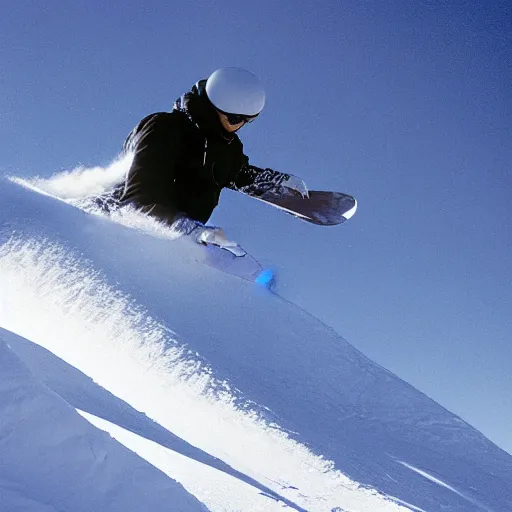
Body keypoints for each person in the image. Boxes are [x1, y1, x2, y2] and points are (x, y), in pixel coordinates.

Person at [117, 67, 308, 247]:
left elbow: (237, 173)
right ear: (212, 107)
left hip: (171, 238)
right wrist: (186, 229)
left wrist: (273, 182)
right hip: (122, 225)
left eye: (248, 120)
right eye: (235, 119)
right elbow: (137, 200)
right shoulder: (163, 127)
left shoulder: (227, 147)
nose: (240, 125)